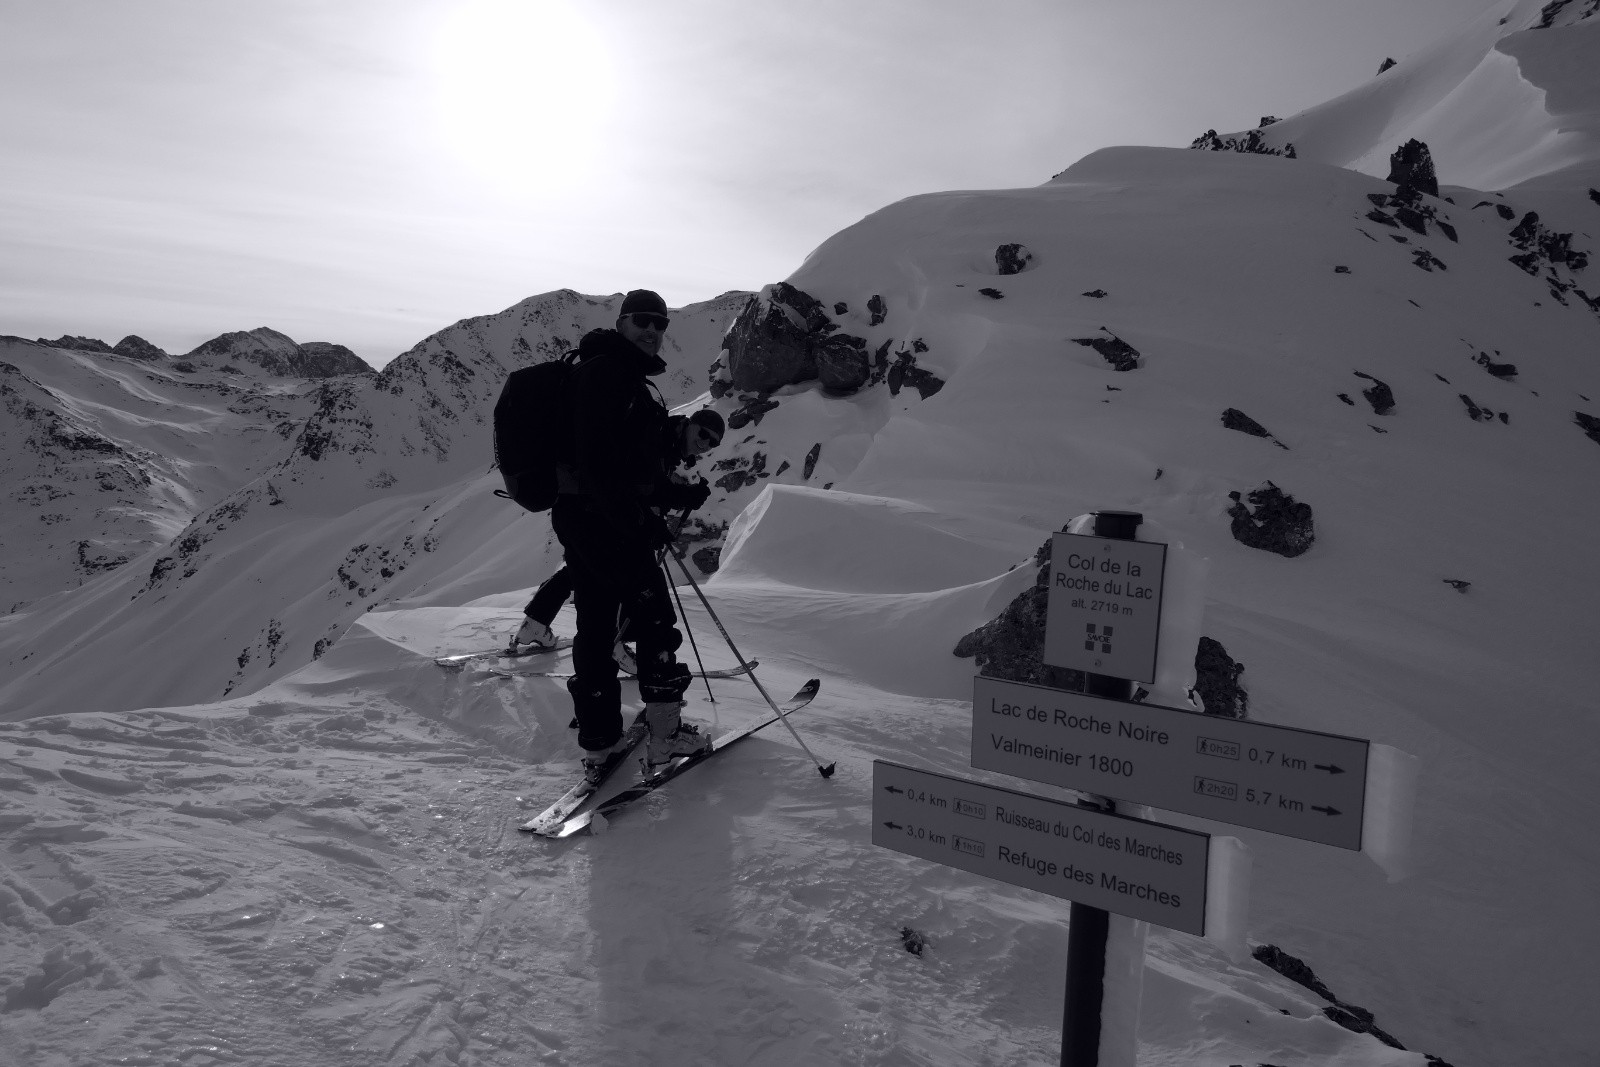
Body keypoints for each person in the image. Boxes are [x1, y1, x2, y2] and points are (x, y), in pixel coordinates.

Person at [550, 290, 718, 778]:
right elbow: (601, 466)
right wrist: (637, 520)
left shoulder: (613, 374)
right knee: (655, 622)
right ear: (622, 323)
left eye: (660, 324)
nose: (652, 331)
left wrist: (676, 498)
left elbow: (631, 467)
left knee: (597, 627)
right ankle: (665, 738)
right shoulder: (610, 376)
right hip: (608, 526)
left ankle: (600, 739)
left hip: (586, 520)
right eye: (643, 321)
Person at [512, 407, 725, 663]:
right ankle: (617, 644)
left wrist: (679, 498)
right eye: (703, 434)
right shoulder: (656, 437)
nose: (705, 444)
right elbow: (641, 485)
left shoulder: (664, 439)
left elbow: (648, 486)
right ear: (690, 424)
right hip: (598, 510)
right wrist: (678, 500)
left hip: (585, 508)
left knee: (588, 568)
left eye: (712, 443)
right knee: (623, 576)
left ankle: (537, 621)